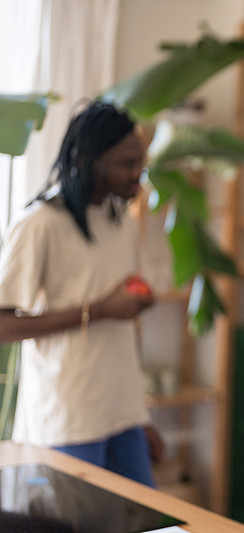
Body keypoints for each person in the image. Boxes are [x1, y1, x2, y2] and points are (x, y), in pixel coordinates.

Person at [0, 100, 162, 486]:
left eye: (140, 162)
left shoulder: (118, 220)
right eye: (127, 164)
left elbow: (120, 309)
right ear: (91, 160)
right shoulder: (39, 224)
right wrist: (100, 309)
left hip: (123, 414)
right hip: (67, 421)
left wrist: (141, 417)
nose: (138, 175)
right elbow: (4, 326)